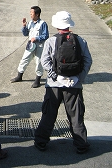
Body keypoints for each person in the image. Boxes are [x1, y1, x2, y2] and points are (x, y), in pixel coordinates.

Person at [34, 11, 92, 154]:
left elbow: (44, 61)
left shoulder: (51, 41)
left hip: (54, 86)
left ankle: (41, 142)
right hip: (74, 85)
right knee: (76, 115)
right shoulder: (80, 40)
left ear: (57, 25)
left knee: (49, 114)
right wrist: (79, 78)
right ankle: (81, 144)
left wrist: (55, 76)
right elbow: (88, 61)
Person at [10, 6, 49, 88]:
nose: (30, 14)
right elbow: (25, 34)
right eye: (30, 13)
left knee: (39, 62)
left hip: (39, 46)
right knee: (24, 59)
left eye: (32, 13)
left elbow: (46, 35)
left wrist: (37, 38)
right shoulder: (30, 23)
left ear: (37, 14)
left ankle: (37, 80)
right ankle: (19, 76)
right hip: (30, 46)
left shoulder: (43, 24)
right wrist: (24, 26)